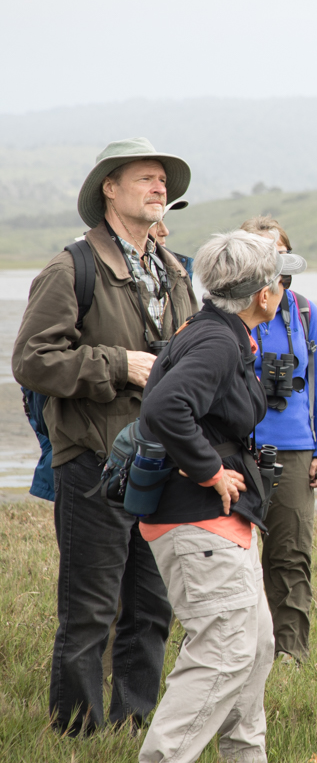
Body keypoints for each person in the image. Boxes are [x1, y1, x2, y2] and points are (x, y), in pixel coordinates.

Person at [11, 137, 198, 735]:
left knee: (152, 606)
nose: (159, 187)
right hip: (92, 459)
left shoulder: (174, 271)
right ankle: (75, 731)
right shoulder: (71, 267)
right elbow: (33, 360)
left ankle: (135, 724)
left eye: (163, 180)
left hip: (159, 463)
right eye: (145, 178)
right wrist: (118, 364)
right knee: (89, 609)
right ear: (108, 191)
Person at [137, 230, 307, 763]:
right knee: (222, 656)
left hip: (215, 527)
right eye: (280, 279)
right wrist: (211, 470)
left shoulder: (214, 329)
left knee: (255, 651)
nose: (283, 287)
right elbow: (164, 408)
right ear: (265, 295)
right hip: (198, 526)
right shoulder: (215, 341)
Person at [242, 215, 317, 665]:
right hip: (240, 447)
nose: (270, 259)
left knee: (291, 553)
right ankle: (238, 648)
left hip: (296, 449)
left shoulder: (304, 311)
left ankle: (291, 654)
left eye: (277, 250)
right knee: (233, 554)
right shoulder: (230, 310)